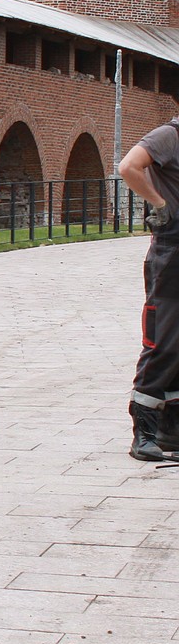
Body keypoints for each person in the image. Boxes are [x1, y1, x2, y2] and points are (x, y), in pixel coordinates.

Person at [120, 118, 179, 460]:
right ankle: (143, 433)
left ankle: (170, 431)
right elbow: (128, 167)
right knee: (165, 342)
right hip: (172, 253)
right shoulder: (168, 136)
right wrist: (160, 205)